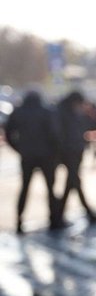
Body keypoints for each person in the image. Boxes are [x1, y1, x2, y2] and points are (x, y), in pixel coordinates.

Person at [4, 90, 63, 233]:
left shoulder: (19, 112)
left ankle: (19, 221)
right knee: (50, 189)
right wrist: (55, 153)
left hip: (27, 155)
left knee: (25, 188)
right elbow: (55, 134)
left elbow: (8, 132)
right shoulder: (46, 111)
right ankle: (54, 220)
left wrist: (19, 148)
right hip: (46, 156)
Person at [56, 90, 96, 224]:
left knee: (71, 183)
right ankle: (88, 213)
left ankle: (58, 215)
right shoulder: (64, 114)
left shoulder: (71, 113)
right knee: (75, 182)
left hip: (74, 152)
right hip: (70, 153)